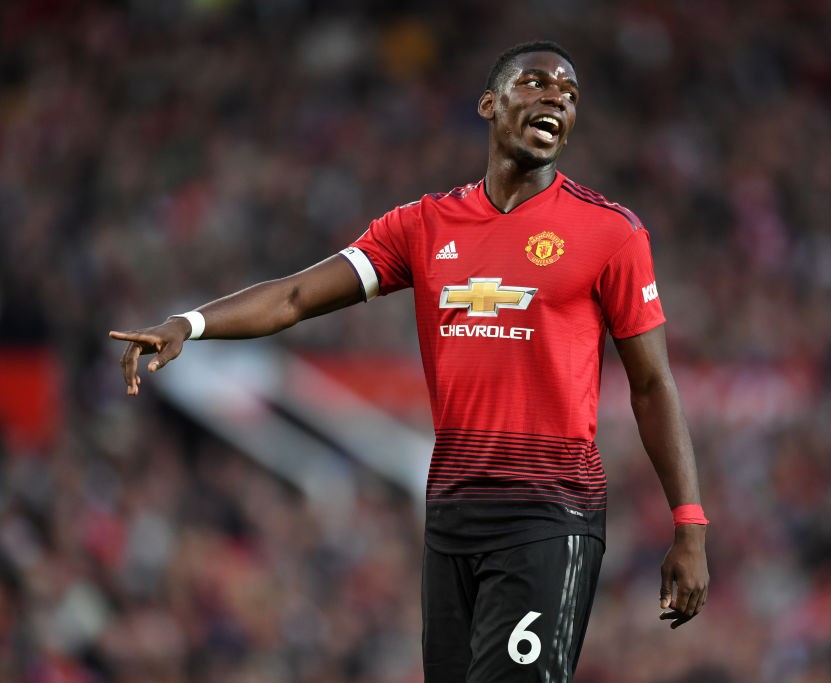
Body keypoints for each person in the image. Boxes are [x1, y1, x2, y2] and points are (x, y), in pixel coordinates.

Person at [110, 40, 709, 682]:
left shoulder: (610, 233)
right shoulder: (423, 227)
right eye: (535, 83)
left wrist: (689, 526)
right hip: (451, 514)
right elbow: (293, 297)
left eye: (568, 93)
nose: (556, 97)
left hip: (549, 513)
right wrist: (191, 323)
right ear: (489, 104)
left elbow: (651, 384)